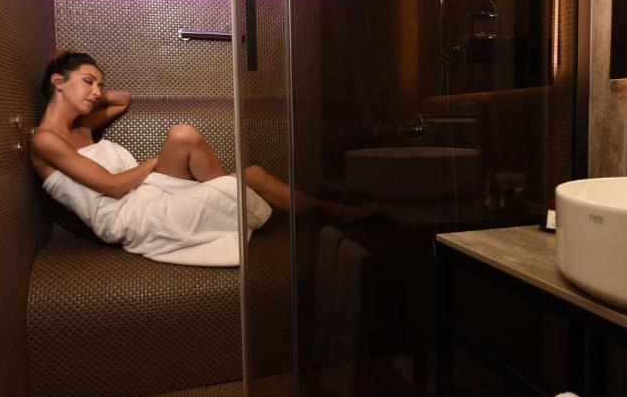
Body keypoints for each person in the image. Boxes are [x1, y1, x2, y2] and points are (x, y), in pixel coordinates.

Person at [31, 49, 375, 266]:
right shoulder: (46, 141)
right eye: (88, 83)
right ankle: (325, 211)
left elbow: (123, 98)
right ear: (57, 82)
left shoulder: (82, 128)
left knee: (193, 140)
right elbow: (112, 186)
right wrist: (152, 162)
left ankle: (319, 210)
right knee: (233, 169)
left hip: (144, 193)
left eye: (99, 85)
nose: (97, 92)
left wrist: (79, 74)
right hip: (129, 216)